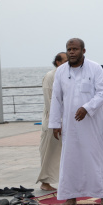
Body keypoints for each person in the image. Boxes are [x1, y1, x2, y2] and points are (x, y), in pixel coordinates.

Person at [49, 38, 103, 205]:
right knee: (71, 160)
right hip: (71, 125)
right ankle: (70, 196)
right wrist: (55, 123)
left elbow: (102, 92)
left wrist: (87, 108)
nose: (71, 52)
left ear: (83, 51)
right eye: (69, 49)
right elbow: (56, 98)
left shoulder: (95, 68)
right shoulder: (61, 72)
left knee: (97, 158)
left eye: (75, 49)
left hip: (93, 123)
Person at [36, 51, 67, 191]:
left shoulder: (67, 75)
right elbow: (49, 101)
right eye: (65, 60)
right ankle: (45, 182)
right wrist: (56, 121)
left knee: (62, 152)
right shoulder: (50, 76)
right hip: (51, 120)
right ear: (58, 62)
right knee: (49, 151)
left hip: (66, 119)